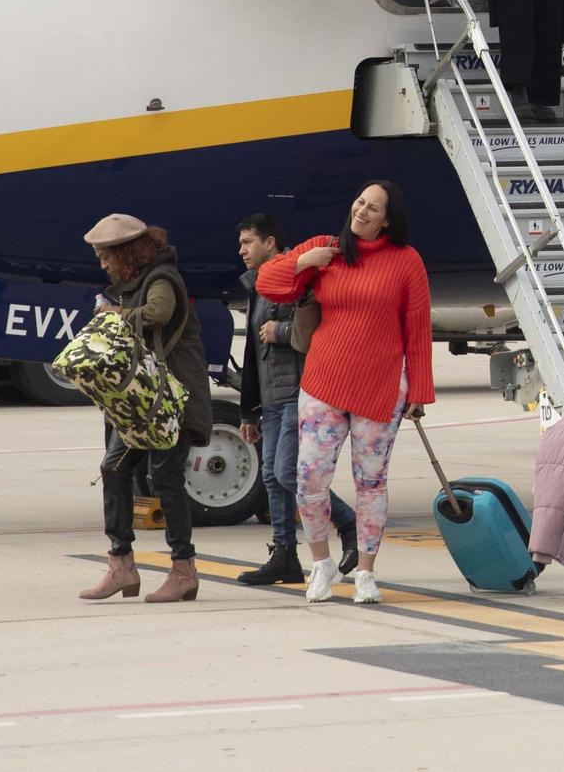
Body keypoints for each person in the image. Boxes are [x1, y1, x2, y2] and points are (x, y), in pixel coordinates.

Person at [254, 182, 434, 605]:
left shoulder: (406, 261)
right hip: (324, 382)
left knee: (370, 482)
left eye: (373, 208)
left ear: (388, 219)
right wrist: (305, 260)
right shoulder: (327, 249)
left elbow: (418, 327)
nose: (363, 212)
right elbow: (267, 283)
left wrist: (420, 390)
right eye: (359, 203)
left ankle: (367, 573)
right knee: (308, 479)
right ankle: (321, 564)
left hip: (381, 385)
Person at [77, 214, 214, 605]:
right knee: (113, 468)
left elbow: (158, 314)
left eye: (106, 257)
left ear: (127, 253)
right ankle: (121, 564)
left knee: (165, 476)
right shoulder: (131, 285)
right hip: (143, 403)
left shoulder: (161, 279)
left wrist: (114, 315)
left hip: (172, 401)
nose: (103, 265)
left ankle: (184, 570)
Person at [234, 214, 360, 586]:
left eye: (247, 242)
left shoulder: (299, 274)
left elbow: (319, 325)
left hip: (300, 390)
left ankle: (347, 521)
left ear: (270, 243)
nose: (241, 250)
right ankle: (285, 555)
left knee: (288, 472)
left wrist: (281, 330)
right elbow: (253, 352)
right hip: (273, 396)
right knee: (272, 477)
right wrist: (249, 409)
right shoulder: (257, 284)